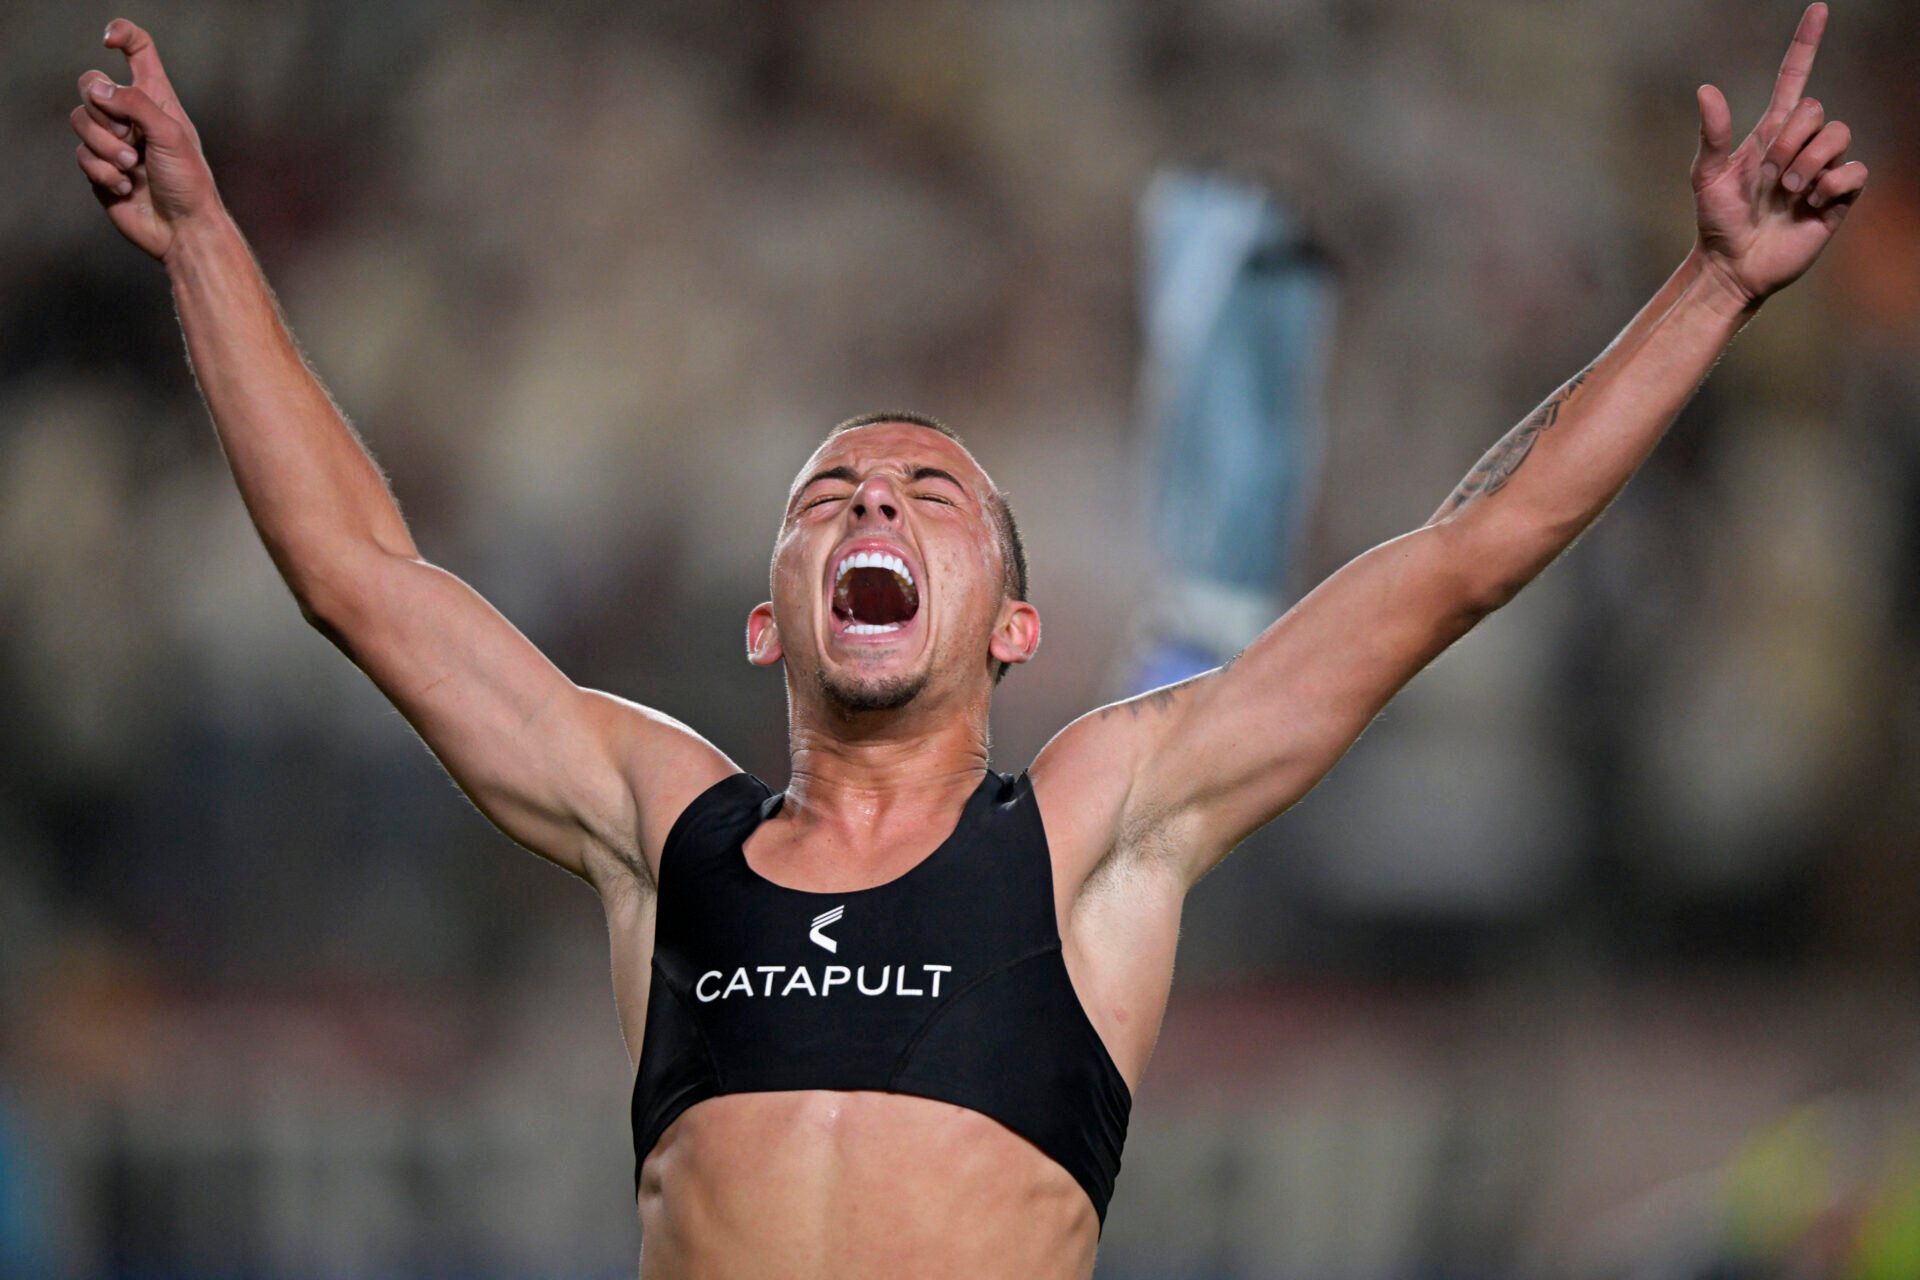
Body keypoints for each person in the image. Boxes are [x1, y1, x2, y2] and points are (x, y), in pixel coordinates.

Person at [69, 6, 1866, 1276]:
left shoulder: (1100, 826)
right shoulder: (660, 821)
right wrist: (204, 242)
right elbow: (360, 580)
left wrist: (1710, 285)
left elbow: (1469, 554)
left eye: (930, 496)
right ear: (765, 616)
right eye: (833, 492)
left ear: (1015, 623)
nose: (870, 507)